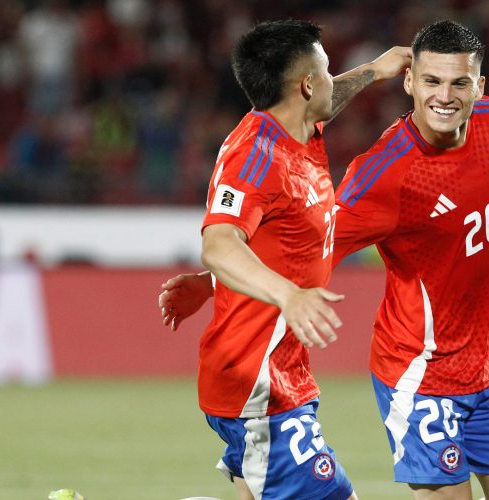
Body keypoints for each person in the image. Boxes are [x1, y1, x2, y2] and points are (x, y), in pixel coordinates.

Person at [161, 20, 489, 500]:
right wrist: (254, 286)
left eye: (460, 83)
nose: (445, 96)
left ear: (480, 87)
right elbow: (249, 244)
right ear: (411, 83)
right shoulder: (370, 174)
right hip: (386, 376)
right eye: (432, 81)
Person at [167, 19, 410, 500]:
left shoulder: (298, 128)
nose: (330, 78)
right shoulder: (256, 156)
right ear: (305, 84)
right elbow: (219, 244)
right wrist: (289, 295)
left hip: (277, 372)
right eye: (325, 70)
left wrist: (375, 72)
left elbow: (325, 100)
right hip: (257, 382)